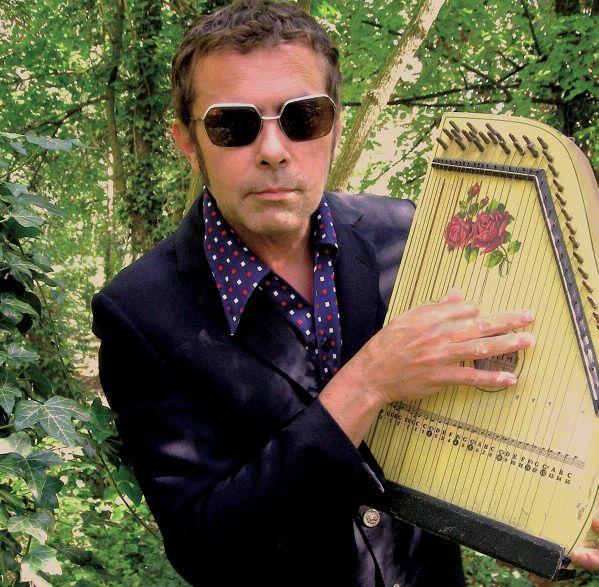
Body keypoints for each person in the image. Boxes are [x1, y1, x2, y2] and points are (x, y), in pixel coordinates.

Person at [91, 1, 599, 585]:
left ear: (333, 127)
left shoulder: (405, 233)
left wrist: (530, 530)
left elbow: (466, 420)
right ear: (188, 141)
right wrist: (369, 382)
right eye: (233, 124)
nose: (273, 149)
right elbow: (204, 547)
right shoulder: (139, 313)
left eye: (303, 116)